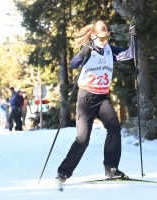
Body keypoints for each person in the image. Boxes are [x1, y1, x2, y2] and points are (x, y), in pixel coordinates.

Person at [55, 20, 138, 185]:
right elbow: (73, 64)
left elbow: (130, 54)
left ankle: (111, 168)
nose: (105, 40)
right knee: (83, 139)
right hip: (86, 98)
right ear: (93, 36)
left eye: (107, 37)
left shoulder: (109, 50)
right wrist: (81, 53)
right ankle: (63, 173)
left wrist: (134, 38)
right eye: (101, 38)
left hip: (102, 98)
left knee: (114, 127)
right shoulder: (88, 50)